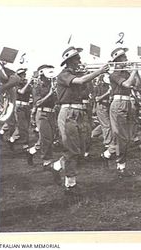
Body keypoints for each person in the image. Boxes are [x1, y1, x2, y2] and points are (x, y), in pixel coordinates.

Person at [52, 46, 109, 193]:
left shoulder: (76, 74)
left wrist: (91, 75)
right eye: (77, 59)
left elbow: (86, 88)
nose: (80, 61)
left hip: (79, 113)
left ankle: (57, 165)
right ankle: (70, 183)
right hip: (68, 112)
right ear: (70, 61)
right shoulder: (64, 74)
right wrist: (98, 71)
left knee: (81, 148)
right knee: (72, 149)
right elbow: (80, 81)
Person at [105, 47, 138, 177]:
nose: (127, 60)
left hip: (128, 103)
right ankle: (121, 165)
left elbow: (137, 84)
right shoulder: (115, 74)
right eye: (124, 58)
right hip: (118, 103)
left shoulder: (125, 73)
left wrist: (136, 72)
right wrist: (134, 71)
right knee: (121, 136)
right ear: (118, 60)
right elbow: (127, 85)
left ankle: (108, 154)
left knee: (126, 135)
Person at [27, 65, 58, 168]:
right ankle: (46, 160)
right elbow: (37, 103)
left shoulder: (52, 84)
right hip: (42, 114)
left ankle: (31, 151)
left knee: (48, 137)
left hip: (52, 113)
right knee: (46, 138)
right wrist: (50, 93)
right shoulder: (37, 87)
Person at [7, 68, 32, 151]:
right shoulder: (16, 84)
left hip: (27, 107)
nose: (23, 76)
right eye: (21, 75)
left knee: (24, 127)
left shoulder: (26, 84)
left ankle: (12, 139)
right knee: (23, 127)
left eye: (24, 75)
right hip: (19, 107)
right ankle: (25, 144)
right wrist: (28, 83)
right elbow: (21, 92)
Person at [94, 74, 116, 158]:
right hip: (101, 106)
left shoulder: (109, 86)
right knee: (107, 125)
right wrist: (108, 93)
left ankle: (93, 134)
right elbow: (97, 99)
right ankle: (107, 143)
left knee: (106, 124)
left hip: (108, 105)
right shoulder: (98, 87)